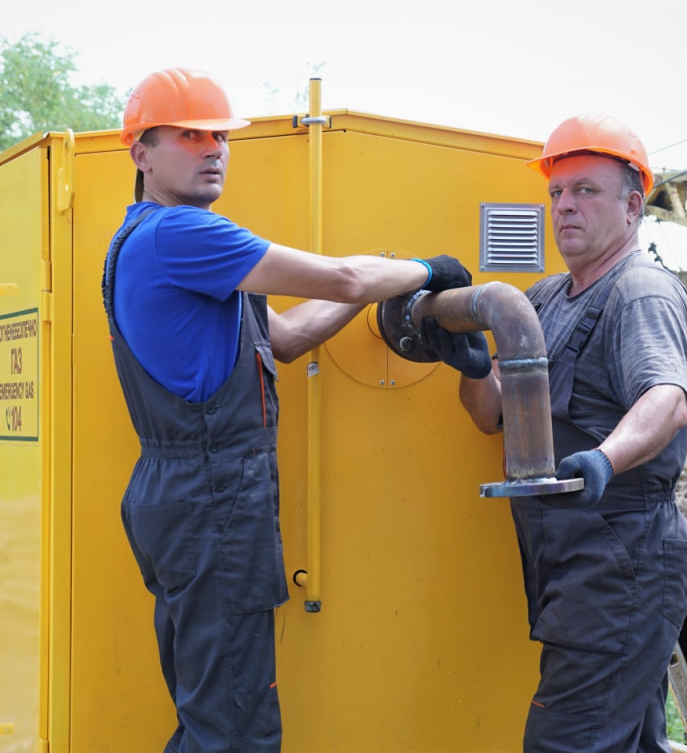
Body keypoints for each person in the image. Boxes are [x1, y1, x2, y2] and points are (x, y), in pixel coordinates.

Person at [100, 67, 472, 753]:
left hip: (181, 497)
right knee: (235, 731)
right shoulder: (182, 235)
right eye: (189, 135)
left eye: (220, 136)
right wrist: (430, 270)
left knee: (211, 714)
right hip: (211, 497)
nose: (213, 148)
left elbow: (289, 336)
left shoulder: (155, 243)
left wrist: (378, 292)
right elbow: (345, 275)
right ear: (141, 153)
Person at [424, 114, 687, 752]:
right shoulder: (547, 297)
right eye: (556, 193)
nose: (565, 206)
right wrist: (468, 365)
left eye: (586, 191)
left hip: (622, 552)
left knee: (565, 741)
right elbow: (490, 412)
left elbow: (667, 400)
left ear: (633, 206)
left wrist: (602, 461)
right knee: (629, 741)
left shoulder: (639, 292)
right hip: (577, 558)